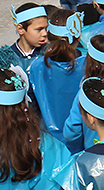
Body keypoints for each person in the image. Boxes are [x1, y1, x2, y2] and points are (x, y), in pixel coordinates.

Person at [29, 8, 86, 146]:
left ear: (49, 35)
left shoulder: (36, 66)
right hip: (83, 141)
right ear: (78, 36)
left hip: (49, 143)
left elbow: (32, 106)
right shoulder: (89, 64)